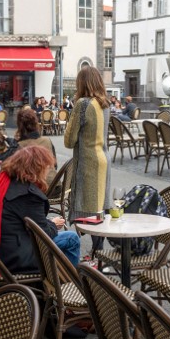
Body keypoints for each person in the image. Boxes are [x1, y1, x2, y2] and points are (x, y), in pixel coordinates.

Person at [0, 147, 80, 277]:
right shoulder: (29, 196)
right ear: (36, 169)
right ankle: (64, 283)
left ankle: (59, 276)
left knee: (65, 236)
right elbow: (44, 235)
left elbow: (26, 220)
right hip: (17, 258)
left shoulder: (8, 181)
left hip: (2, 249)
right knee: (72, 239)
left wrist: (47, 222)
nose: (47, 172)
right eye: (46, 168)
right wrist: (53, 224)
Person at [64, 66, 111, 259]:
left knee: (88, 208)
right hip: (103, 159)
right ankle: (96, 253)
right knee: (98, 207)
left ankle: (95, 256)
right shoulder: (105, 104)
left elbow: (69, 141)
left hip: (88, 162)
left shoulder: (83, 104)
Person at [14, 108, 57, 186]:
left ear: (19, 126)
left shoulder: (19, 145)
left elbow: (15, 172)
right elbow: (55, 165)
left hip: (35, 190)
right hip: (54, 186)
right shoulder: (47, 140)